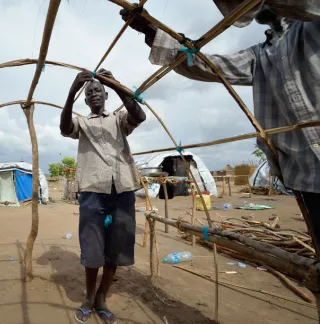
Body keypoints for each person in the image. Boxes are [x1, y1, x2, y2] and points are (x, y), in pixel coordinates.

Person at [120, 0, 320, 285]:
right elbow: (208, 66)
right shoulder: (262, 54)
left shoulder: (311, 25)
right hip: (307, 177)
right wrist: (153, 33)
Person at [60, 68, 146, 324]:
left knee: (116, 248)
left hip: (122, 189)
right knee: (92, 246)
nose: (95, 94)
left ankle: (102, 297)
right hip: (92, 190)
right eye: (90, 92)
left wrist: (117, 83)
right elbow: (64, 127)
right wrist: (72, 90)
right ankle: (88, 297)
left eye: (99, 90)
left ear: (106, 94)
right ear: (85, 100)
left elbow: (139, 115)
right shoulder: (82, 123)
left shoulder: (119, 119)